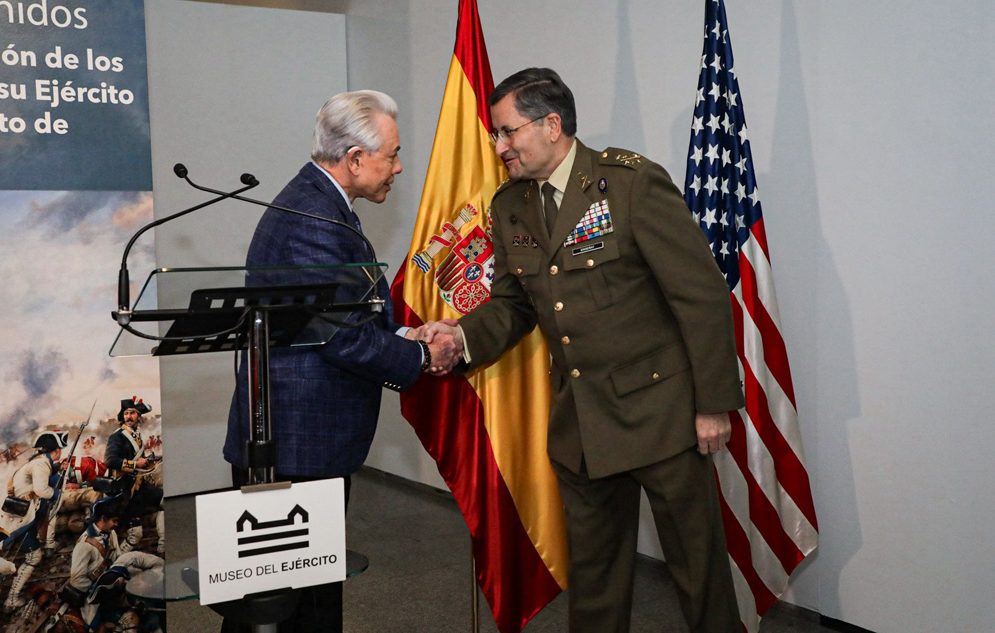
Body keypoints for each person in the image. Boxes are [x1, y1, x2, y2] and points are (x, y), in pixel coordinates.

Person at [422, 68, 744, 633]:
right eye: (495, 136)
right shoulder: (511, 205)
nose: (499, 147)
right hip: (581, 424)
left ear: (551, 125)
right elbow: (514, 306)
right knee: (594, 582)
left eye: (506, 132)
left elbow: (702, 298)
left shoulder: (629, 184)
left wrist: (713, 403)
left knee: (698, 572)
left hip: (662, 416)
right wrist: (460, 336)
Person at [222, 90, 461, 632]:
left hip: (301, 439)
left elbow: (340, 316)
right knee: (281, 607)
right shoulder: (314, 217)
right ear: (354, 158)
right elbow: (341, 339)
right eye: (393, 154)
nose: (399, 167)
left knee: (292, 601)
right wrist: (422, 354)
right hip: (295, 444)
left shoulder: (324, 204)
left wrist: (403, 331)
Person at [65, 500, 163, 633]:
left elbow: (116, 559)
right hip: (96, 598)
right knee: (129, 621)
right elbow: (77, 581)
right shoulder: (84, 546)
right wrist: (104, 587)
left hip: (115, 583)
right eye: (114, 521)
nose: (116, 525)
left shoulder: (111, 534)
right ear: (103, 518)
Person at [0, 429, 68, 611]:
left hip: (19, 513)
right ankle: (11, 599)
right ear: (57, 450)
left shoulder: (39, 461)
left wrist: (58, 468)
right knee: (34, 557)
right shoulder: (41, 464)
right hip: (17, 517)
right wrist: (58, 494)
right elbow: (43, 490)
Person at [104, 397, 164, 554]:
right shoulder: (117, 436)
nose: (128, 417)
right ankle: (119, 558)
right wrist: (135, 464)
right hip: (123, 488)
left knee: (164, 499)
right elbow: (110, 461)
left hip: (137, 485)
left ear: (139, 417)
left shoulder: (137, 435)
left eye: (132, 413)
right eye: (126, 413)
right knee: (135, 534)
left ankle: (163, 544)